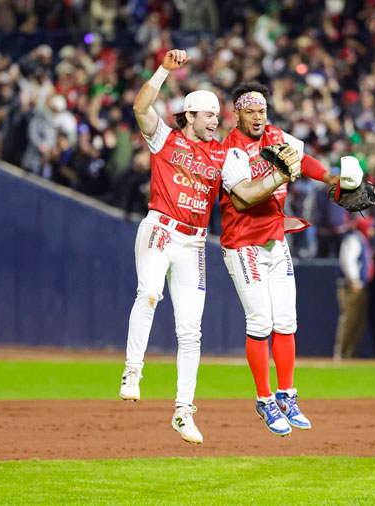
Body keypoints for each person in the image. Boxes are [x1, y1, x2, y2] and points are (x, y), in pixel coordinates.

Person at [120, 51, 299, 445]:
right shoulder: (164, 138)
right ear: (188, 117)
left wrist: (279, 176)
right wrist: (165, 70)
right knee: (149, 293)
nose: (215, 122)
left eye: (217, 116)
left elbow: (245, 194)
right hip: (161, 229)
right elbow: (140, 106)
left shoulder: (223, 154)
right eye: (208, 116)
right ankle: (133, 370)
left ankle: (184, 411)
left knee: (191, 330)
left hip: (194, 243)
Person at [219, 82, 354, 437]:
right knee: (261, 320)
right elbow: (245, 199)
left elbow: (301, 157)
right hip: (243, 243)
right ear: (237, 115)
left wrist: (330, 178)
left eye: (262, 111)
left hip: (275, 238)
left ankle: (286, 395)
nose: (259, 117)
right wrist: (281, 172)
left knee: (287, 321)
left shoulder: (275, 135)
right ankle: (264, 399)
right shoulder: (229, 151)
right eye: (251, 112)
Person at [334, 215, 375, 360]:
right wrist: (355, 280)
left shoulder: (362, 240)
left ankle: (350, 352)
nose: (372, 230)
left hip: (360, 285)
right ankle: (341, 352)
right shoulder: (353, 239)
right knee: (349, 319)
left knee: (358, 320)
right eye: (370, 227)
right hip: (351, 286)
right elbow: (347, 261)